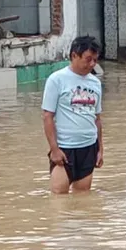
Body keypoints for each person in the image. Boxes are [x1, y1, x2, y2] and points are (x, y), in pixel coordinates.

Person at [42, 36, 103, 194]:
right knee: (58, 197)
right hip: (64, 148)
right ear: (74, 55)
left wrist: (100, 149)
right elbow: (47, 116)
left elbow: (97, 118)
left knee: (82, 198)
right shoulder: (56, 80)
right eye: (88, 59)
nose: (92, 64)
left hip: (89, 147)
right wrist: (54, 149)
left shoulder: (95, 83)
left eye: (95, 60)